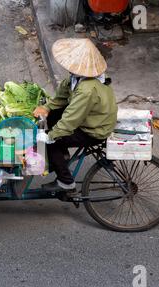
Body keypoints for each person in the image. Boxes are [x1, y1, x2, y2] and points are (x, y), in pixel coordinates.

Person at [33, 38, 118, 192]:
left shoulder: (87, 89)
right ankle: (62, 157)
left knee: (53, 142)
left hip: (95, 129)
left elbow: (70, 120)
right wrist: (46, 108)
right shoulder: (76, 78)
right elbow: (60, 99)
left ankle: (66, 182)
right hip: (92, 117)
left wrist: (50, 136)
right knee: (51, 117)